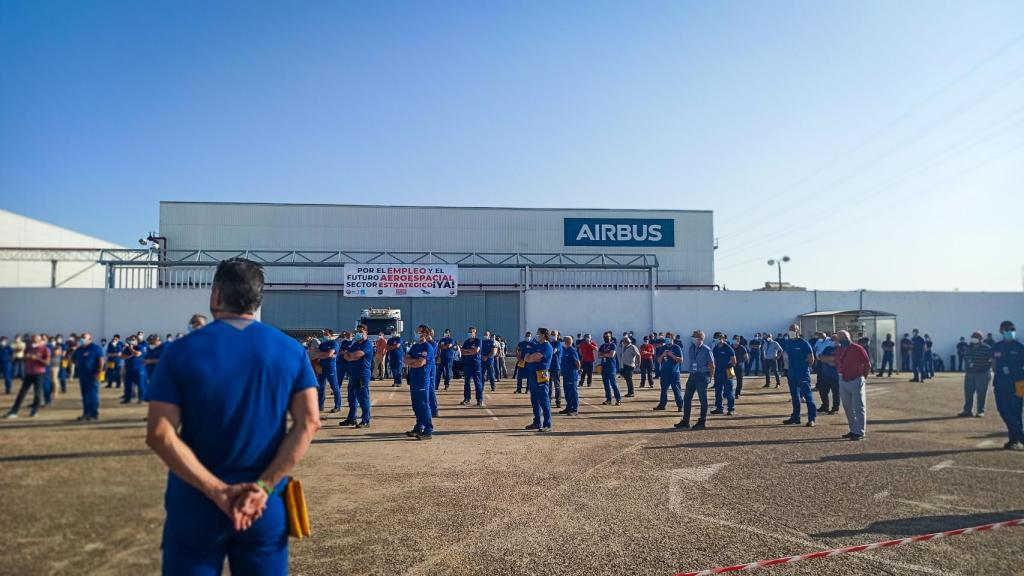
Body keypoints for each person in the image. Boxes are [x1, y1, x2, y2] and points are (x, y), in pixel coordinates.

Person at [146, 258, 319, 575]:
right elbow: (309, 422)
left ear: (215, 296)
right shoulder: (290, 350)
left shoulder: (181, 351)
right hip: (262, 504)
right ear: (257, 300)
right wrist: (263, 488)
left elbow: (159, 433)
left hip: (196, 500)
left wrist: (217, 491)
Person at [992, 321, 1024, 450]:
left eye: (1012, 329)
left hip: (1019, 383)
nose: (1010, 332)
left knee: (1016, 411)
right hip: (1001, 382)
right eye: (1007, 330)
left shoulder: (1020, 347)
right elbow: (994, 364)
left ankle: (1014, 440)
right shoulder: (996, 347)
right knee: (1003, 409)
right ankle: (1020, 436)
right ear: (1001, 331)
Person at [834, 330, 870, 441]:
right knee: (848, 407)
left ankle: (860, 431)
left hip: (856, 379)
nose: (843, 339)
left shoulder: (857, 348)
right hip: (842, 379)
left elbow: (867, 364)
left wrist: (863, 377)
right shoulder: (839, 349)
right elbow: (836, 362)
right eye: (841, 338)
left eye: (845, 337)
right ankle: (853, 429)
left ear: (849, 337)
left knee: (858, 407)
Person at [675, 330, 714, 430]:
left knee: (703, 399)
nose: (692, 338)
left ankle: (702, 422)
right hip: (692, 375)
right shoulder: (692, 348)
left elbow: (712, 365)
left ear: (700, 338)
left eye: (695, 337)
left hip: (702, 375)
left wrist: (710, 377)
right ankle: (685, 421)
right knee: (687, 398)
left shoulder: (706, 350)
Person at [4, 334, 49, 418]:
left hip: (39, 373)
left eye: (35, 339)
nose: (33, 341)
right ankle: (14, 411)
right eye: (32, 339)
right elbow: (24, 358)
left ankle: (34, 410)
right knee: (22, 393)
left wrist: (37, 358)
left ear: (39, 340)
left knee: (37, 393)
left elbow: (47, 362)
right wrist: (26, 357)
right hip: (29, 373)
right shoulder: (28, 348)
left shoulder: (44, 349)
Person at [404, 325, 436, 440]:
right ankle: (419, 426)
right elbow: (405, 359)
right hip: (414, 380)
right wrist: (414, 361)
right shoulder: (414, 347)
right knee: (416, 405)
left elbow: (420, 363)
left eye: (420, 332)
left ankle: (428, 430)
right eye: (417, 332)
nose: (417, 334)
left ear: (426, 334)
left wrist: (412, 362)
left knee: (423, 405)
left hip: (422, 380)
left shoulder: (428, 348)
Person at [782, 324, 817, 427]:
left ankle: (811, 419)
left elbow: (811, 359)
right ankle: (795, 417)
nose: (791, 332)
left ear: (798, 331)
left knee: (807, 396)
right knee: (795, 396)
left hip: (802, 374)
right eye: (790, 330)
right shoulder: (788, 342)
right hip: (791, 373)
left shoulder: (804, 343)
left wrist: (804, 367)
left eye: (793, 330)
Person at [339, 325, 373, 428]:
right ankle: (351, 418)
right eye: (357, 331)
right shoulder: (355, 344)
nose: (358, 333)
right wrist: (350, 356)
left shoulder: (367, 344)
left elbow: (355, 355)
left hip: (362, 375)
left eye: (361, 331)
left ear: (366, 332)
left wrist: (350, 355)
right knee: (352, 398)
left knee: (363, 398)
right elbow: (345, 355)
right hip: (353, 374)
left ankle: (365, 420)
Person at [523, 328, 554, 432]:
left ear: (544, 335)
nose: (537, 335)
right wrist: (530, 357)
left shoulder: (547, 346)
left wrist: (531, 358)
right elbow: (526, 357)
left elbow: (536, 357)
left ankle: (547, 424)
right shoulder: (536, 345)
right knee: (534, 399)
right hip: (532, 373)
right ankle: (537, 422)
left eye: (538, 333)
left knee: (543, 399)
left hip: (541, 373)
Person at [71, 332, 104, 421]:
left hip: (93, 375)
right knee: (85, 395)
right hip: (82, 375)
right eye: (81, 337)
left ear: (90, 339)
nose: (82, 339)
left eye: (84, 337)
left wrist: (99, 372)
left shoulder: (95, 348)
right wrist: (78, 364)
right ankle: (86, 413)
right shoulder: (79, 349)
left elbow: (101, 360)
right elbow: (72, 358)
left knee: (92, 394)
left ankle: (94, 413)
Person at [959, 331, 992, 418]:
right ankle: (967, 410)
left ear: (981, 339)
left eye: (976, 337)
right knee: (968, 393)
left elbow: (992, 359)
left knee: (981, 393)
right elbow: (965, 357)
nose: (974, 339)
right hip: (970, 373)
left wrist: (988, 371)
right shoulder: (968, 347)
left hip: (982, 373)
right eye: (973, 337)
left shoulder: (986, 348)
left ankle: (980, 411)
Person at [654, 332, 684, 412]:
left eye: (669, 337)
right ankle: (662, 405)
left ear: (672, 339)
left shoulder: (676, 347)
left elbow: (681, 360)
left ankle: (680, 405)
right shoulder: (662, 348)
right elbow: (658, 361)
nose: (667, 339)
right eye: (666, 337)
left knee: (676, 390)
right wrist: (663, 354)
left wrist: (672, 355)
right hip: (664, 372)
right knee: (664, 390)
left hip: (674, 373)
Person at [709, 332, 736, 416]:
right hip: (718, 372)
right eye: (716, 338)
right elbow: (714, 360)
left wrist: (727, 368)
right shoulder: (716, 348)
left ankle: (731, 409)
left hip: (727, 372)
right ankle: (719, 408)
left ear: (722, 338)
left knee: (729, 391)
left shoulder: (728, 348)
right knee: (718, 391)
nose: (717, 339)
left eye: (718, 338)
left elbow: (734, 361)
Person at [816, 335, 841, 415]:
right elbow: (820, 356)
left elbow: (839, 359)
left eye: (834, 339)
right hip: (825, 374)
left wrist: (827, 359)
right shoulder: (827, 348)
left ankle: (835, 408)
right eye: (831, 339)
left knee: (836, 393)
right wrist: (830, 360)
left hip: (836, 375)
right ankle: (825, 406)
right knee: (822, 391)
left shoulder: (840, 349)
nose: (832, 341)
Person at [460, 327, 484, 406]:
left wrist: (468, 351)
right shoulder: (466, 342)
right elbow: (462, 352)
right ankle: (467, 398)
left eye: (472, 332)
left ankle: (479, 399)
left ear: (475, 333)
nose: (470, 333)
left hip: (476, 364)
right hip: (468, 364)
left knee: (477, 382)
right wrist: (470, 352)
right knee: (467, 382)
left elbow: (476, 351)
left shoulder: (478, 341)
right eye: (469, 332)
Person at [121, 335, 147, 404]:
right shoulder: (127, 348)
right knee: (128, 385)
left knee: (140, 385)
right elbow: (122, 356)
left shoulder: (140, 347)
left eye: (133, 339)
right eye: (130, 339)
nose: (131, 340)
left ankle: (141, 399)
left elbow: (137, 354)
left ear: (136, 340)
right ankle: (127, 398)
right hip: (129, 369)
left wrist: (131, 349)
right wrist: (131, 353)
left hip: (139, 369)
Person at [559, 336, 581, 416]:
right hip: (565, 374)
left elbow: (577, 362)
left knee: (572, 392)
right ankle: (569, 407)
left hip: (572, 374)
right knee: (567, 392)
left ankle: (574, 409)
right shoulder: (565, 350)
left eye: (564, 341)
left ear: (567, 342)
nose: (563, 342)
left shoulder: (572, 351)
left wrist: (578, 371)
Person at [598, 333, 621, 406]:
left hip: (611, 367)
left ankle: (618, 399)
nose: (606, 338)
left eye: (607, 336)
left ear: (610, 337)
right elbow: (598, 356)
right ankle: (609, 399)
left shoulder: (612, 345)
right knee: (606, 384)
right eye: (605, 336)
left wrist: (603, 355)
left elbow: (612, 355)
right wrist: (606, 355)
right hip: (604, 367)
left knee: (613, 384)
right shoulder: (602, 346)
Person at [142, 334, 165, 401]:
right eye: (150, 342)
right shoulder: (150, 348)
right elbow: (147, 357)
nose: (151, 343)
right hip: (150, 371)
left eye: (152, 342)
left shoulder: (164, 347)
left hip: (159, 371)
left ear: (157, 340)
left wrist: (150, 361)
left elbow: (164, 360)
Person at [548, 330, 563, 408]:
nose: (553, 336)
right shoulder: (548, 343)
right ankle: (548, 400)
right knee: (548, 385)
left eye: (554, 334)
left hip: (556, 367)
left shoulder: (558, 343)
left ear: (557, 335)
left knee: (557, 385)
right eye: (552, 334)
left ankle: (558, 401)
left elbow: (554, 351)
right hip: (548, 367)